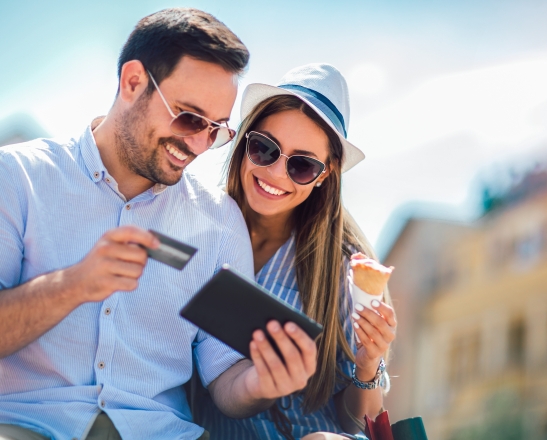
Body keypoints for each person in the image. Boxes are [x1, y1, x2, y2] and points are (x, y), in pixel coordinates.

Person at [0, 9, 318, 440]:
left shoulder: (220, 221)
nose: (197, 144)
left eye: (215, 131)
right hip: (26, 425)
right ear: (133, 83)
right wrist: (74, 284)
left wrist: (262, 385)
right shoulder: (16, 177)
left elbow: (225, 377)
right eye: (189, 118)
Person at [198, 64, 397, 440]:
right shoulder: (197, 230)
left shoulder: (344, 267)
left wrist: (369, 362)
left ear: (326, 173)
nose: (276, 173)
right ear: (244, 142)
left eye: (302, 165)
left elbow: (357, 422)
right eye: (264, 148)